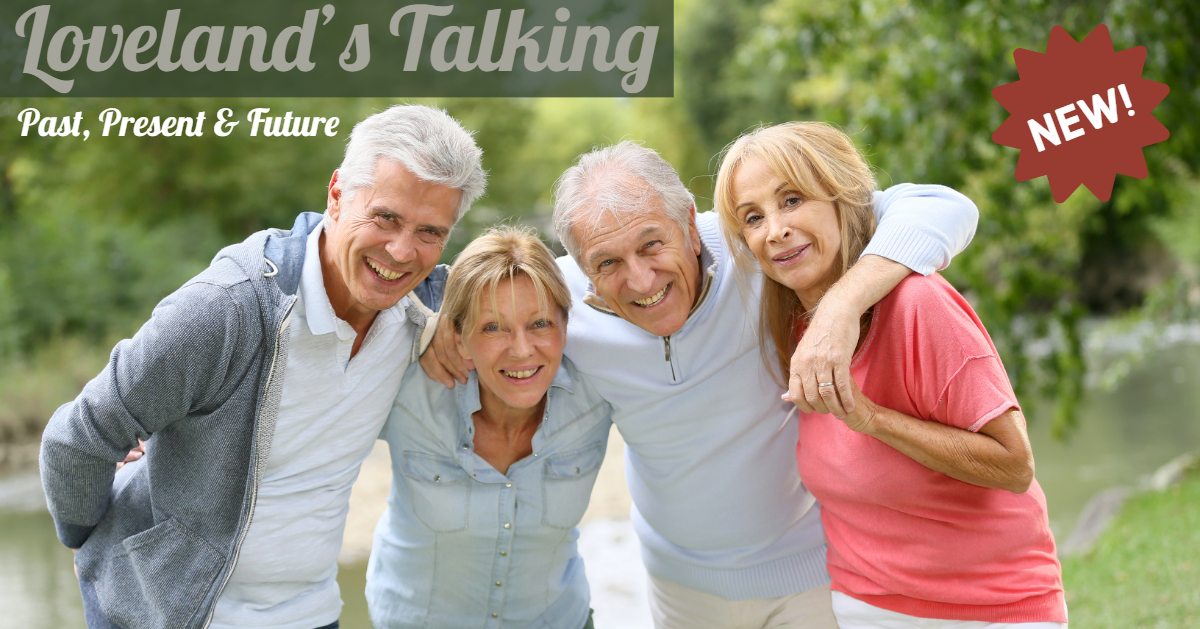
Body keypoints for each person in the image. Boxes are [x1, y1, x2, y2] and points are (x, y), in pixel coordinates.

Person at [422, 140, 980, 628]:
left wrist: (841, 306)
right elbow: (443, 289)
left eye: (652, 245)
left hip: (814, 570)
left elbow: (945, 207)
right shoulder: (556, 300)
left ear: (690, 223)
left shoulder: (757, 246)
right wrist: (440, 326)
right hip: (679, 587)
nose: (640, 279)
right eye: (608, 262)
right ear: (582, 268)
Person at [38, 104, 486, 629]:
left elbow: (536, 294)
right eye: (386, 217)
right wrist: (86, 539)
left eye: (430, 232)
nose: (402, 250)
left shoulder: (426, 305)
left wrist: (444, 326)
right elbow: (77, 438)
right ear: (337, 195)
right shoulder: (227, 310)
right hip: (171, 616)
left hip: (311, 614)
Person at [714, 122, 1066, 628]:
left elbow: (1015, 466)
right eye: (754, 218)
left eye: (791, 200)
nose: (775, 230)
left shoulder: (919, 304)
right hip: (864, 607)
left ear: (841, 199)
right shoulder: (786, 323)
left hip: (988, 608)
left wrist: (873, 419)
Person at [367, 226, 611, 629]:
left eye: (540, 324)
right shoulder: (406, 388)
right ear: (458, 337)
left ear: (566, 327)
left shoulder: (599, 393)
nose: (521, 350)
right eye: (493, 327)